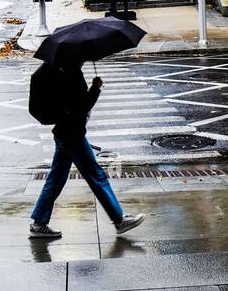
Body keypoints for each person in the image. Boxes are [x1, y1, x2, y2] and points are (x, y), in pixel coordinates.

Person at [29, 62, 144, 240]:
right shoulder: (71, 72)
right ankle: (119, 219)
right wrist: (96, 88)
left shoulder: (59, 70)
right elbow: (81, 106)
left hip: (64, 132)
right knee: (96, 176)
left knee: (56, 179)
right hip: (72, 134)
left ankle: (38, 223)